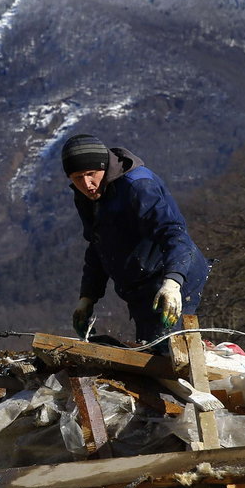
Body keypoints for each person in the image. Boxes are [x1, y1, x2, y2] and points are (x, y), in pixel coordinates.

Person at [61, 134, 209, 347]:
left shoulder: (137, 186)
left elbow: (174, 233)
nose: (86, 184)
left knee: (169, 352)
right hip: (140, 285)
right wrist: (87, 298)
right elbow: (98, 245)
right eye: (77, 178)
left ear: (104, 166)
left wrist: (173, 282)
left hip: (172, 273)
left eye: (91, 174)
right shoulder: (87, 196)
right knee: (149, 348)